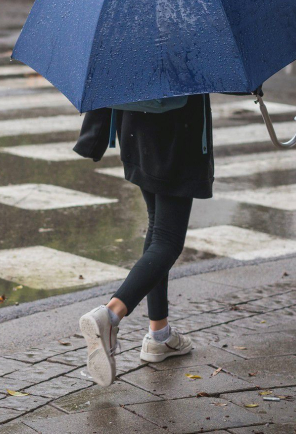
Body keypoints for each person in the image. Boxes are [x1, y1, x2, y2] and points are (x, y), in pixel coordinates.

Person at [73, 94, 213, 385]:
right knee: (169, 239)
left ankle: (159, 334)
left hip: (134, 124)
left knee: (157, 226)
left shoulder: (129, 45)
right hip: (177, 130)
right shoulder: (187, 43)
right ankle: (110, 315)